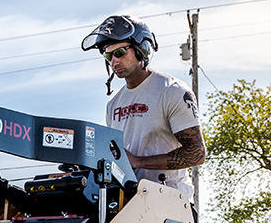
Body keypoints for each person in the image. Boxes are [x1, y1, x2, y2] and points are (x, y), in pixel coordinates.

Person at [81, 15, 206, 209]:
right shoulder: (113, 104)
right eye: (108, 55)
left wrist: (138, 161)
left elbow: (196, 153)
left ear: (142, 49)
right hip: (131, 204)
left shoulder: (171, 91)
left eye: (120, 52)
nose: (114, 61)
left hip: (172, 205)